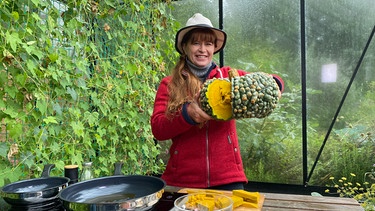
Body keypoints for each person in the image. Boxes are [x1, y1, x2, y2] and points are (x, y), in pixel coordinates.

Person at [151, 13, 284, 190]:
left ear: (214, 48)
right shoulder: (169, 84)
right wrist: (188, 114)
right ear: (184, 47)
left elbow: (270, 79)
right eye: (196, 43)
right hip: (182, 179)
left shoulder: (229, 77)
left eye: (208, 43)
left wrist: (274, 85)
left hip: (228, 178)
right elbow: (158, 128)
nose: (202, 49)